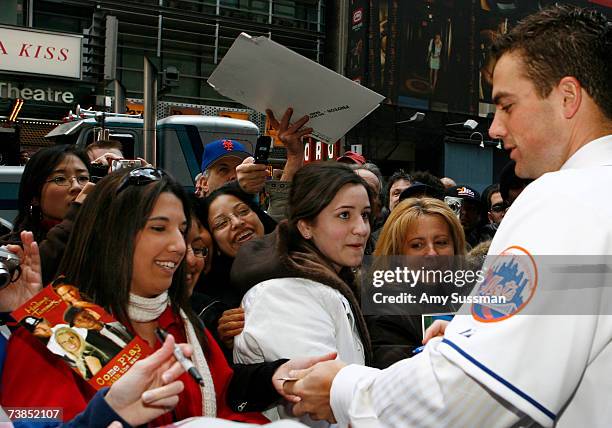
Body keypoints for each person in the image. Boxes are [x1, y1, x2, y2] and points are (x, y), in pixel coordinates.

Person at [282, 5, 612, 427]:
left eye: (507, 105)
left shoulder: (565, 200)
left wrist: (344, 389)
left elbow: (470, 398)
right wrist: (465, 344)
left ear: (567, 98)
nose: (494, 128)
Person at [1, 169, 277, 424]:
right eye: (158, 228)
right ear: (110, 235)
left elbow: (224, 405)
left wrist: (285, 379)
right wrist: (108, 413)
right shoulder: (53, 328)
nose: (179, 246)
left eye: (182, 231)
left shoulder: (184, 323)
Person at [231, 162, 373, 426]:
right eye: (344, 215)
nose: (361, 229)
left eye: (365, 215)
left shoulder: (330, 279)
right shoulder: (284, 295)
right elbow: (323, 401)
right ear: (306, 226)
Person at [367, 197, 467, 368]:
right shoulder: (385, 310)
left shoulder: (469, 295)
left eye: (441, 242)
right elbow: (394, 380)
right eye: (417, 245)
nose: (432, 253)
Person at [200, 182, 277, 353]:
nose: (237, 222)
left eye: (243, 211)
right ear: (215, 245)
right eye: (221, 224)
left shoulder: (304, 259)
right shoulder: (216, 304)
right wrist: (224, 341)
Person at [2, 145, 94, 284]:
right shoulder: (13, 251)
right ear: (34, 196)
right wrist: (73, 220)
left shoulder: (103, 238)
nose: (77, 187)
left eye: (83, 178)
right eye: (60, 179)